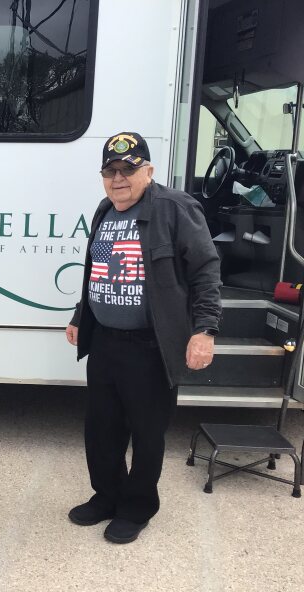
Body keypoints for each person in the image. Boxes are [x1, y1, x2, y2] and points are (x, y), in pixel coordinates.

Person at [66, 131, 221, 544]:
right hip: (105, 343)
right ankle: (107, 496)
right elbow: (99, 270)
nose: (118, 178)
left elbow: (205, 270)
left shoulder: (174, 208)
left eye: (128, 169)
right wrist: (82, 315)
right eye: (110, 171)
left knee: (147, 435)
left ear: (148, 171)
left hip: (150, 347)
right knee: (102, 430)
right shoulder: (105, 211)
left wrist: (204, 330)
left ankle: (137, 508)